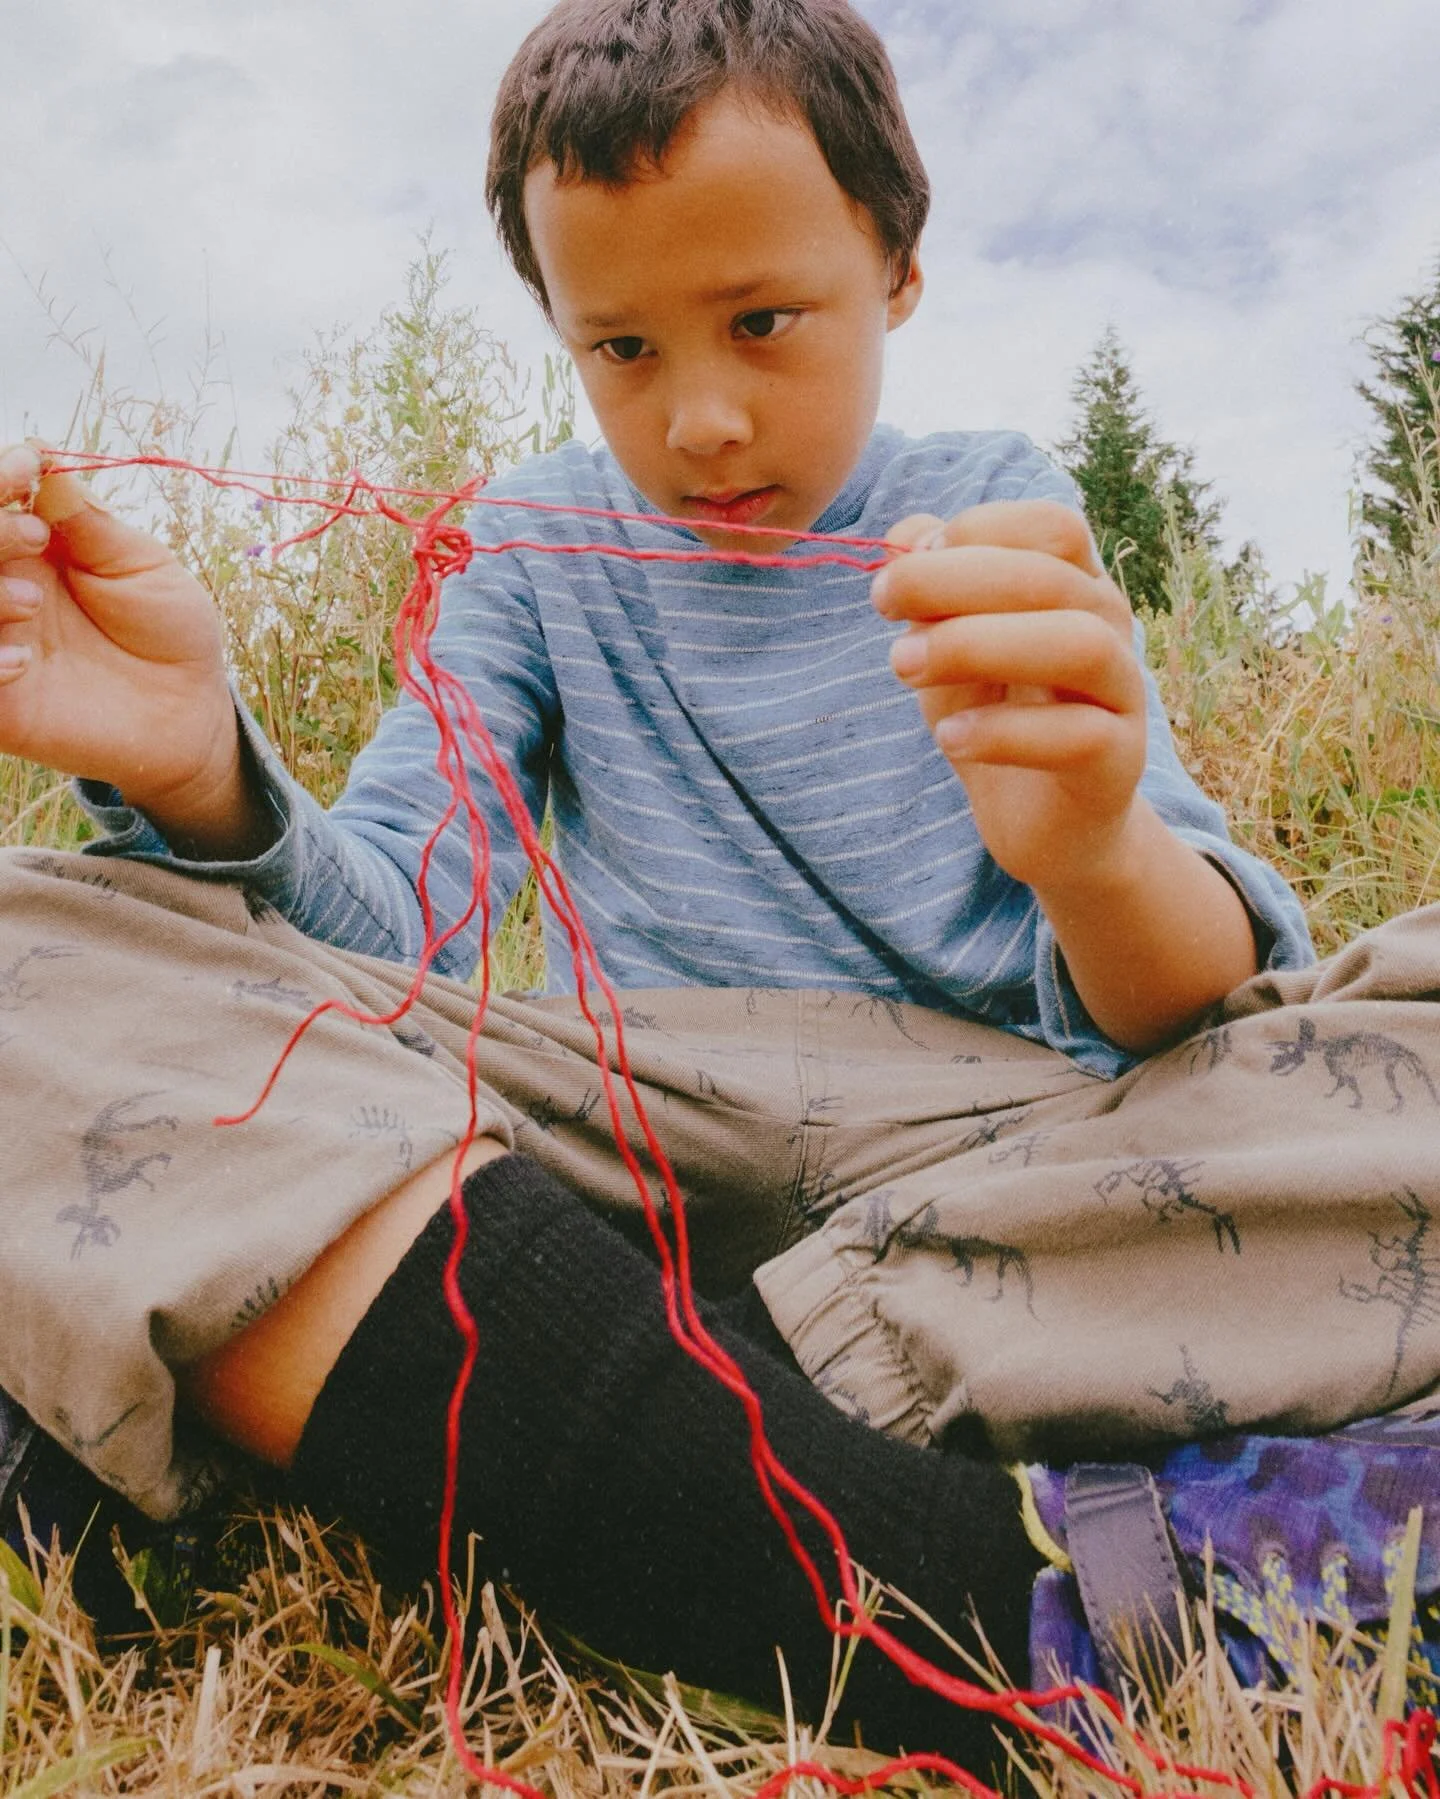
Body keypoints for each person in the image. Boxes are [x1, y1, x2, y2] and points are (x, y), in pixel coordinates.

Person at [1, 0, 1437, 1768]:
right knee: (30, 949)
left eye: (765, 322)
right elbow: (396, 930)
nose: (697, 417)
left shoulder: (987, 504)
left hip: (1015, 1142)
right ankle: (983, 1578)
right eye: (616, 347)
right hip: (628, 1137)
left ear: (896, 270)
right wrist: (191, 766)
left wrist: (1092, 847)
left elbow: (1202, 1015)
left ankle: (509, 1414)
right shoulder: (529, 555)